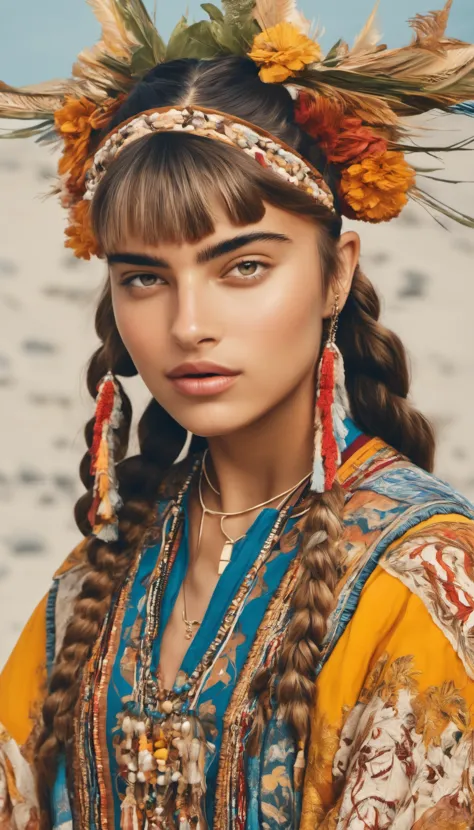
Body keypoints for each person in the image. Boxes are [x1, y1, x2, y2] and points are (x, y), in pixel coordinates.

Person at [1, 1, 474, 828]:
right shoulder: (101, 569)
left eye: (243, 266)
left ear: (336, 273)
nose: (188, 325)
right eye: (144, 277)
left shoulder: (428, 575)